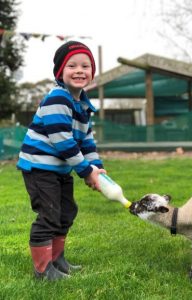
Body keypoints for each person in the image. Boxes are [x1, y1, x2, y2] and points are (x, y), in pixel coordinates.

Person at [17, 41, 106, 281]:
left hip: (60, 169)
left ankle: (57, 260)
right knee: (49, 213)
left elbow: (86, 141)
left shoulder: (83, 106)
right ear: (60, 72)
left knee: (67, 211)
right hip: (39, 167)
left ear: (92, 72)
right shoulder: (58, 99)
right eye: (72, 66)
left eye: (85, 66)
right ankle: (43, 270)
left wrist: (97, 168)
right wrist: (86, 171)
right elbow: (63, 141)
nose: (79, 70)